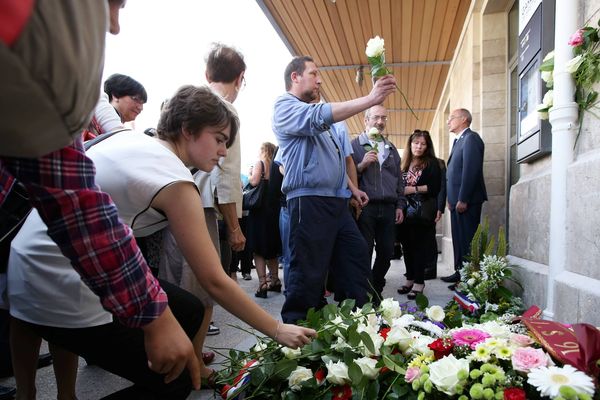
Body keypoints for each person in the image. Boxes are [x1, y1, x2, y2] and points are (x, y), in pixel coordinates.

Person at [6, 86, 316, 398]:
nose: (223, 151)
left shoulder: (133, 139)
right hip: (65, 279)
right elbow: (214, 280)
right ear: (188, 129)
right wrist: (277, 329)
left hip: (29, 260)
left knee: (189, 308)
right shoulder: (174, 178)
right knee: (178, 380)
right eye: (219, 138)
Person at [0, 0, 201, 389]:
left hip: (57, 250)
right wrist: (154, 315)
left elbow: (72, 195)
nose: (114, 27)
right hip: (48, 255)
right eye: (112, 4)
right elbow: (77, 203)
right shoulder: (36, 48)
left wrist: (152, 312)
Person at [274, 56, 396, 324]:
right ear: (295, 77)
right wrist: (370, 98)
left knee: (356, 262)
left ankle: (362, 326)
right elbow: (319, 116)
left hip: (338, 203)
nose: (319, 79)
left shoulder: (326, 121)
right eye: (313, 73)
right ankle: (298, 341)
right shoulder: (285, 106)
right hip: (309, 202)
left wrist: (352, 188)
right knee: (308, 274)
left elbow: (338, 160)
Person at [351, 104, 405, 300]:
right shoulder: (355, 145)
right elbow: (347, 176)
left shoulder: (391, 148)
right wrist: (362, 165)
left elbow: (399, 180)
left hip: (389, 207)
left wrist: (400, 205)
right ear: (366, 120)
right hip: (365, 207)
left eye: (384, 118)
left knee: (386, 252)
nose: (380, 122)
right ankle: (365, 293)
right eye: (376, 118)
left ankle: (376, 286)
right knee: (364, 251)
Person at [441, 109, 487, 288]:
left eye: (451, 118)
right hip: (456, 202)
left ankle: (468, 280)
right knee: (459, 239)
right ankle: (460, 272)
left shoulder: (471, 138)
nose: (448, 122)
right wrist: (451, 199)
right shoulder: (459, 140)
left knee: (468, 240)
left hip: (466, 201)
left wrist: (463, 198)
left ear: (464, 119)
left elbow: (471, 170)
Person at [396, 130, 442, 299]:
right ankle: (409, 279)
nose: (419, 147)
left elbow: (434, 188)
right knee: (406, 247)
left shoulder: (432, 163)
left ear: (427, 146)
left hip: (422, 212)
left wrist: (412, 189)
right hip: (404, 211)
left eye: (423, 144)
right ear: (410, 144)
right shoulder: (403, 163)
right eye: (416, 143)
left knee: (419, 248)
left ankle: (419, 282)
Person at [247, 142, 282, 298]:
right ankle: (275, 280)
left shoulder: (259, 163)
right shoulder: (277, 165)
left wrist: (250, 174)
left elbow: (254, 181)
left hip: (259, 210)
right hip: (274, 209)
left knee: (258, 247)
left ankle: (262, 284)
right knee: (272, 247)